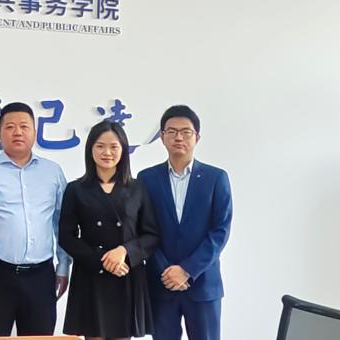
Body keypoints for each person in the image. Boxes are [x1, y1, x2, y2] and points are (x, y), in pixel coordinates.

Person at [0, 102, 71, 336]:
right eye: (10, 127)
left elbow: (62, 223)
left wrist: (63, 266)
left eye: (24, 126)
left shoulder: (53, 172)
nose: (17, 132)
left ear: (35, 132)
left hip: (41, 275)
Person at [138, 105, 232, 340]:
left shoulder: (216, 178)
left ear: (197, 137)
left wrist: (188, 270)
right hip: (162, 283)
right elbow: (143, 229)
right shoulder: (147, 179)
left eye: (185, 132)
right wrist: (167, 272)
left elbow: (220, 231)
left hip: (203, 284)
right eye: (171, 131)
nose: (178, 137)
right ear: (162, 137)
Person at [60, 120, 160, 339]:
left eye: (114, 147)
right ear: (90, 149)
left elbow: (151, 235)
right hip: (91, 274)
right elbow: (66, 237)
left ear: (123, 150)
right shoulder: (75, 189)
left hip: (126, 274)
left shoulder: (137, 187)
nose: (107, 152)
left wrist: (124, 252)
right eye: (100, 146)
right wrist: (102, 259)